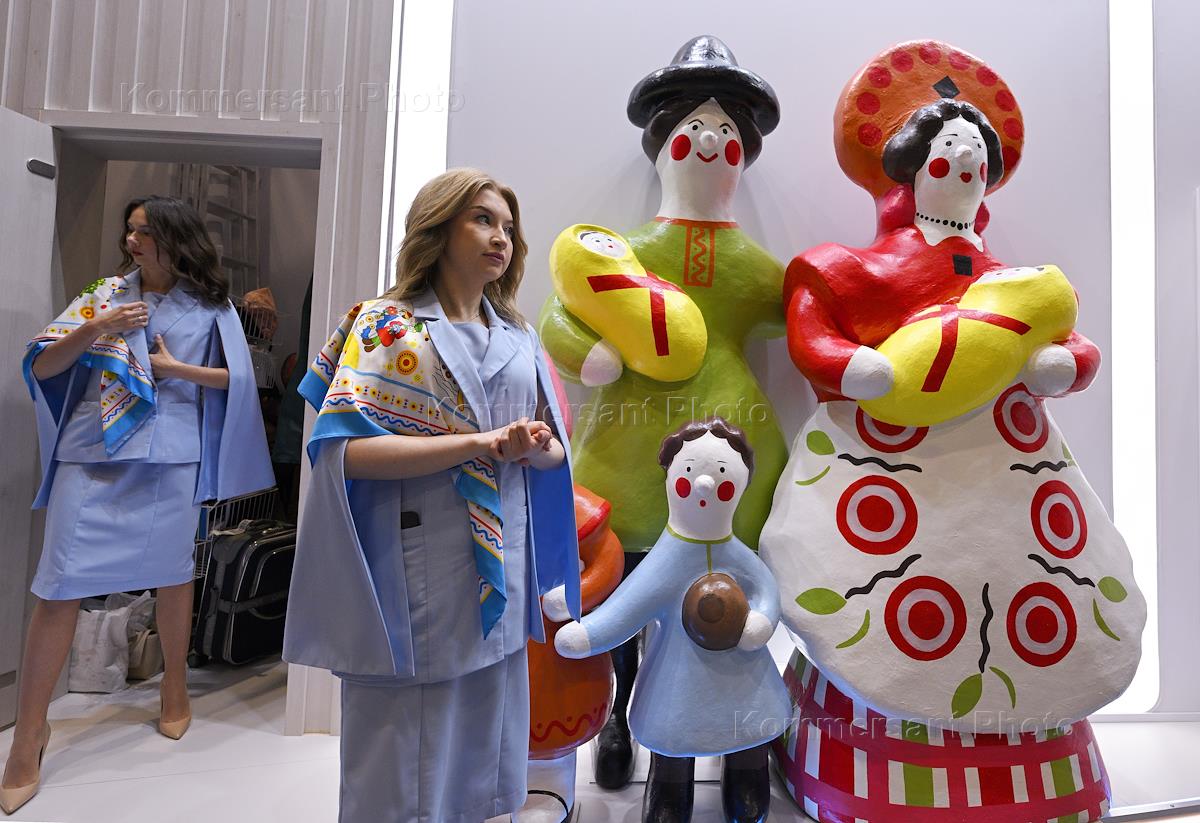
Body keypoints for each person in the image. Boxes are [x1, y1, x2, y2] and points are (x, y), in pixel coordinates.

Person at [760, 43, 1145, 823]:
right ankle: (866, 759)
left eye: (976, 154)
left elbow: (1074, 344)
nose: (964, 164)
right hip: (885, 463)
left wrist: (1061, 364)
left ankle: (1039, 762)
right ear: (912, 168)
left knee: (1027, 591)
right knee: (882, 601)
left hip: (1008, 468)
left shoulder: (1013, 284)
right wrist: (851, 365)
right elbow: (814, 329)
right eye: (948, 151)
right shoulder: (853, 268)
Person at [283, 168, 581, 823]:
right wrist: (477, 444)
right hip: (417, 563)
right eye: (482, 219)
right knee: (402, 764)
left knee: (483, 754)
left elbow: (554, 452)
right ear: (438, 228)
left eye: (508, 226)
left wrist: (531, 446)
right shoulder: (386, 327)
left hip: (500, 568)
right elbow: (347, 454)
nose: (500, 237)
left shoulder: (520, 337)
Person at [538, 35, 787, 803]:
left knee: (731, 598)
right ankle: (618, 717)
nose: (709, 141)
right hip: (627, 450)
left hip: (738, 456)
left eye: (726, 130)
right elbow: (558, 315)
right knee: (624, 585)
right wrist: (586, 350)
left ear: (742, 154)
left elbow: (799, 305)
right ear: (662, 144)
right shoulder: (626, 252)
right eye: (693, 127)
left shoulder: (751, 264)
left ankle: (739, 735)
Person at [1, 196, 274, 816]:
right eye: (129, 230)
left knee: (173, 575)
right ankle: (27, 735)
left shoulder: (212, 307)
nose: (131, 241)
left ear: (175, 238)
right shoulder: (103, 294)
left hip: (169, 457)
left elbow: (241, 380)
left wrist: (175, 370)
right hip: (91, 453)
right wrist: (94, 329)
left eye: (143, 232)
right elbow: (43, 365)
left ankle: (174, 686)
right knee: (58, 585)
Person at [555, 417, 790, 823]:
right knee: (674, 734)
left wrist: (762, 621)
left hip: (744, 674)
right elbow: (628, 607)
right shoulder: (667, 560)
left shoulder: (738, 555)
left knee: (748, 731)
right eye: (692, 472)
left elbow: (766, 589)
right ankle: (669, 787)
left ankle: (747, 775)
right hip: (679, 679)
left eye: (720, 474)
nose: (705, 484)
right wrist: (589, 634)